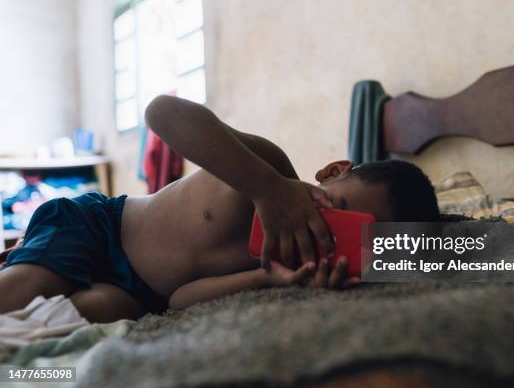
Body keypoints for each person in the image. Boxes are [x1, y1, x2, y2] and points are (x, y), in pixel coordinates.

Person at [0, 96, 439, 322]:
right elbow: (162, 112)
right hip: (99, 226)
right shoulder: (269, 167)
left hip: (139, 293)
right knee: (19, 293)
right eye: (337, 208)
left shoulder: (289, 261)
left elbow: (178, 300)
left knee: (99, 310)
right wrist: (267, 189)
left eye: (345, 236)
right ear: (331, 171)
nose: (325, 228)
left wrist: (267, 278)